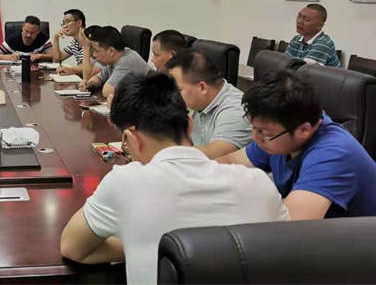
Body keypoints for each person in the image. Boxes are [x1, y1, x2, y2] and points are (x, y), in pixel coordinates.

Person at [60, 72, 289, 284]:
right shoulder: (260, 184)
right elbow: (288, 255)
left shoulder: (125, 182)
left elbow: (73, 248)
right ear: (189, 125)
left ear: (129, 138)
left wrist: (140, 244)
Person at [217, 70, 376, 219]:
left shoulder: (333, 153)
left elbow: (289, 226)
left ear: (303, 130)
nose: (255, 138)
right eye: (254, 128)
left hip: (370, 246)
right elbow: (229, 162)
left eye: (264, 132)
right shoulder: (280, 132)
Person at [166, 49, 251, 159]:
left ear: (202, 88)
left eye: (178, 89)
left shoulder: (236, 110)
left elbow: (214, 155)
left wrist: (162, 149)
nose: (174, 95)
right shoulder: (196, 100)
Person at [80, 26, 149, 98]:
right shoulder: (114, 59)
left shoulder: (127, 61)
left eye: (97, 51)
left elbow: (107, 91)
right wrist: (89, 84)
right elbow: (99, 79)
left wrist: (85, 47)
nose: (94, 55)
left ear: (111, 51)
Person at [50, 9, 89, 76]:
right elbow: (57, 58)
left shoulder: (90, 39)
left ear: (79, 23)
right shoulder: (75, 42)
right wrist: (56, 38)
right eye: (63, 23)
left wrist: (72, 69)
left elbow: (92, 67)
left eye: (67, 22)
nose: (64, 26)